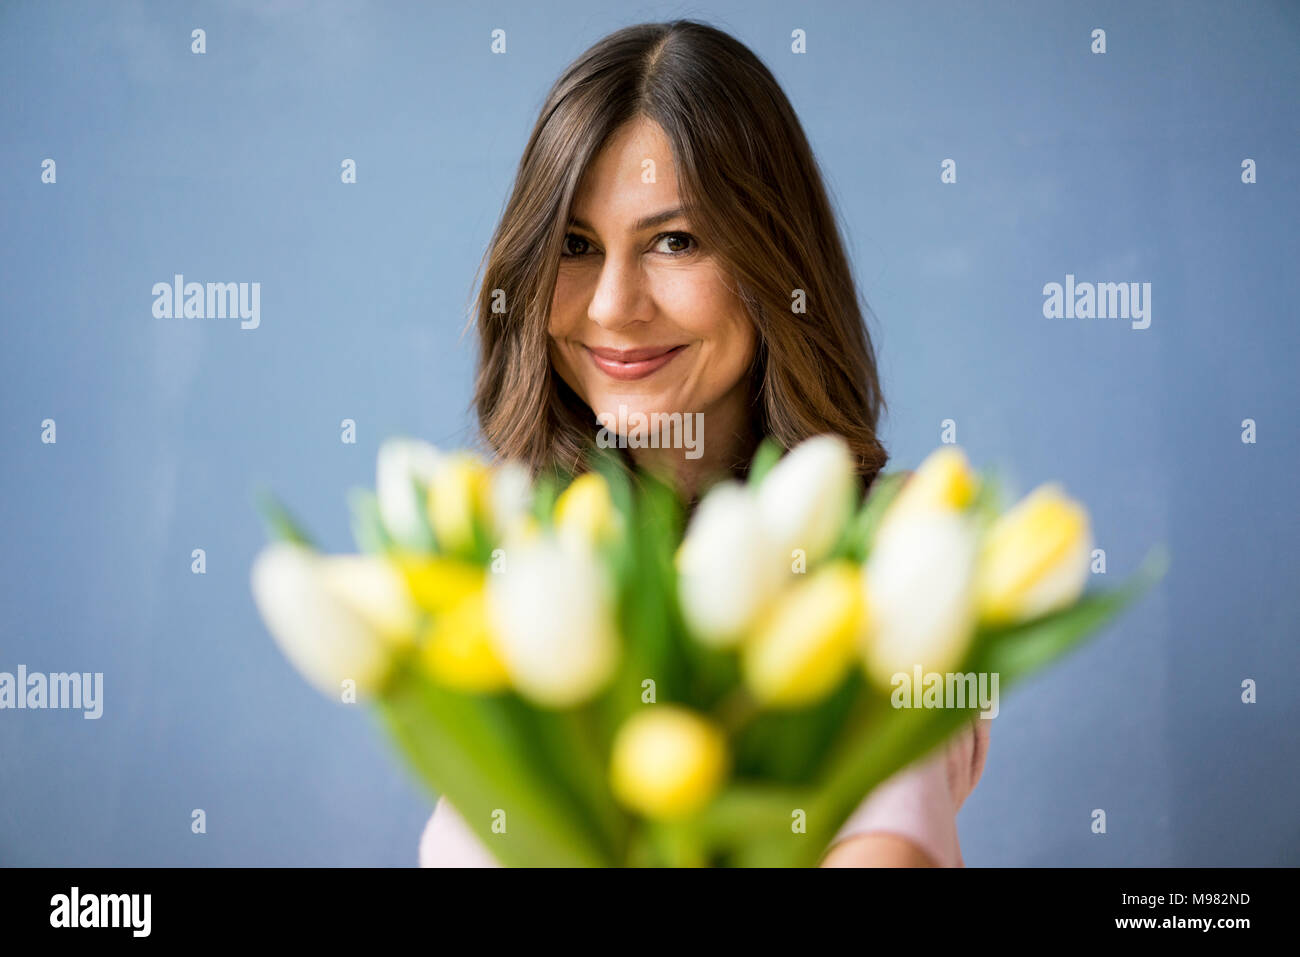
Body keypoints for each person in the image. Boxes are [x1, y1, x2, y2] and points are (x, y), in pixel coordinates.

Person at [423, 19, 990, 867]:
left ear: (773, 259)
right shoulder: (504, 546)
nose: (614, 305)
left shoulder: (898, 547)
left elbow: (891, 845)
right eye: (576, 246)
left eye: (674, 242)